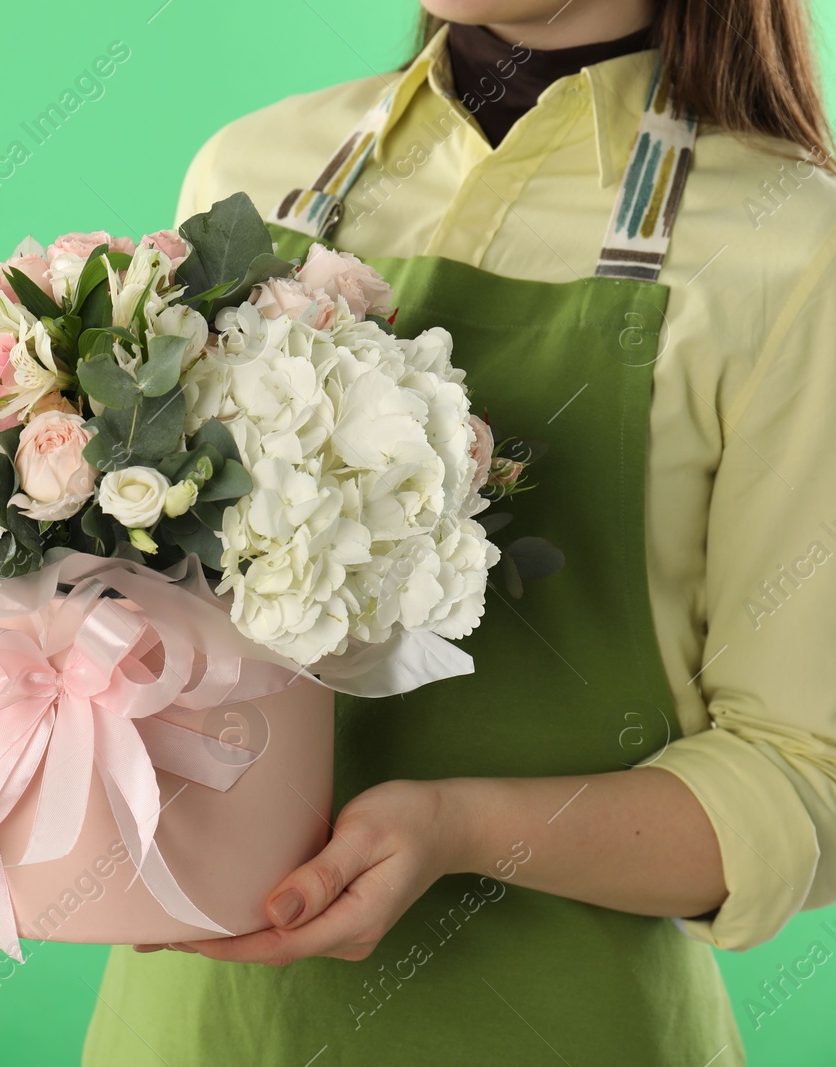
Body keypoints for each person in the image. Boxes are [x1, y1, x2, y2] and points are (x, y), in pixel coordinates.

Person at [80, 1, 836, 1063]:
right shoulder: (253, 173)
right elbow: (165, 621)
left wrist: (463, 828)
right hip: (207, 1026)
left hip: (563, 1020)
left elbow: (803, 779)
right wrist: (8, 763)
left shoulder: (793, 249)